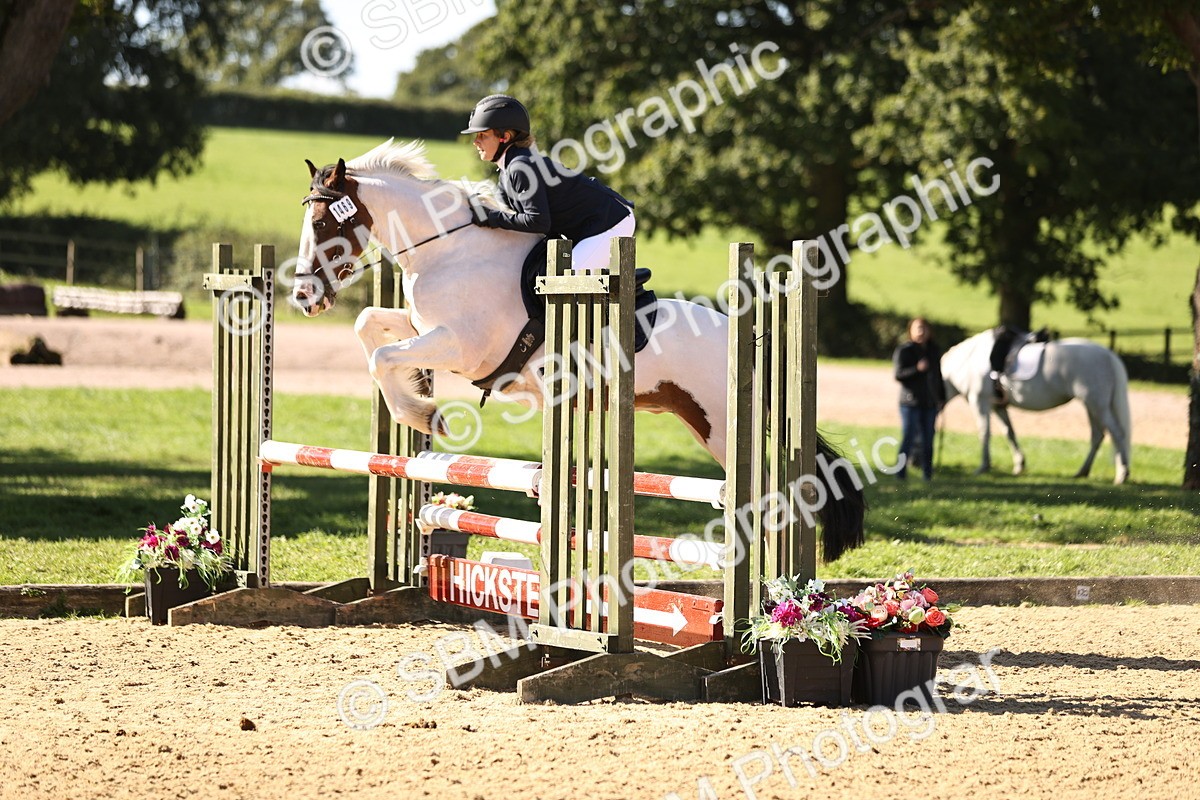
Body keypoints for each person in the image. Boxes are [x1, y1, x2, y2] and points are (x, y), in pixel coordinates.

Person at [461, 94, 636, 272]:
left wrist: (490, 218)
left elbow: (537, 221)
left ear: (504, 137)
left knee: (565, 281)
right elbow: (507, 214)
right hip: (590, 227)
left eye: (482, 135)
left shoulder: (521, 167)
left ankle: (636, 296)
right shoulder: (506, 173)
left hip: (609, 222)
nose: (476, 141)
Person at [893, 317, 947, 481]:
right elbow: (899, 374)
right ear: (910, 331)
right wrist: (917, 369)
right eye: (918, 328)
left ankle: (927, 474)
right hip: (910, 403)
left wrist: (942, 397)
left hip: (929, 403)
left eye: (924, 329)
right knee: (908, 438)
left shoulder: (933, 351)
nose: (921, 332)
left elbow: (938, 376)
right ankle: (900, 473)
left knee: (928, 439)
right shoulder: (905, 350)